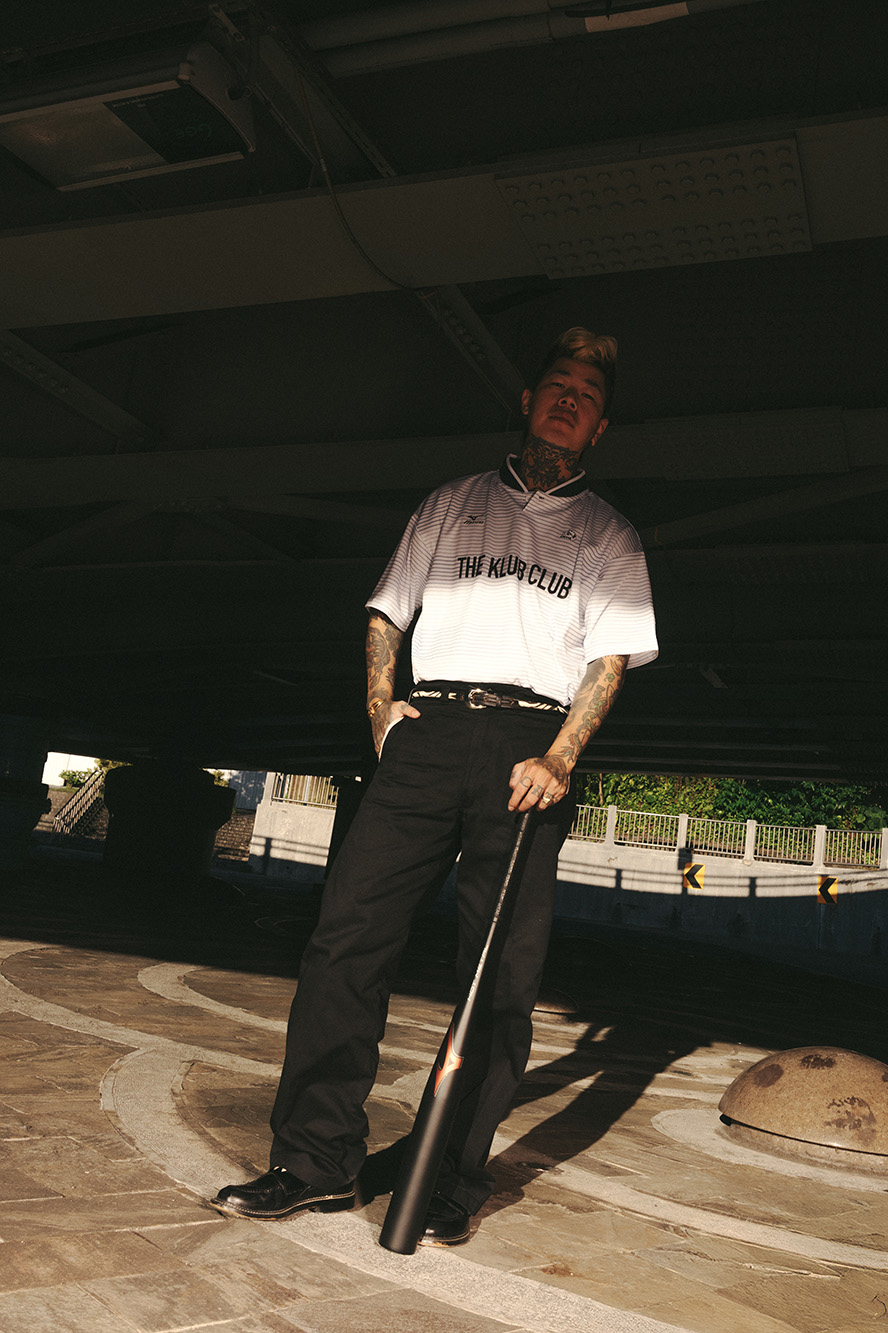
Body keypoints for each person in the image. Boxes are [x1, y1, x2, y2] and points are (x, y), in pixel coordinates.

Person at [212, 328, 658, 1244]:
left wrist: (560, 757)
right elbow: (387, 609)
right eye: (556, 385)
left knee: (500, 975)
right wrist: (382, 709)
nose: (568, 400)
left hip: (530, 749)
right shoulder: (453, 503)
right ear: (527, 402)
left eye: (586, 396)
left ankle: (449, 1174)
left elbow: (608, 660)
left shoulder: (608, 533)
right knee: (346, 938)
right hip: (430, 729)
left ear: (599, 429)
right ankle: (315, 1160)